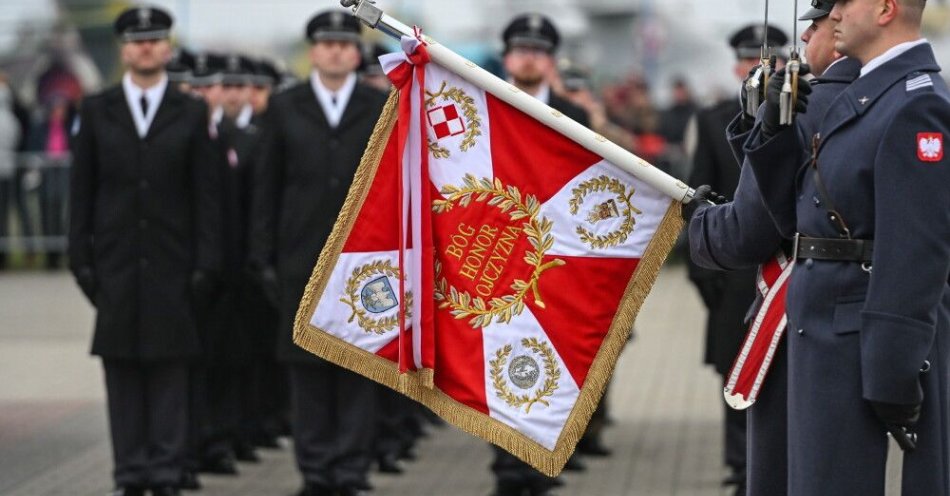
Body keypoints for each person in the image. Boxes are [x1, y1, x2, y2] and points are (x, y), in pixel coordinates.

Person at [746, 0, 950, 494]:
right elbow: (801, 214)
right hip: (824, 332)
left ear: (885, 8)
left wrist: (893, 374)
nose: (832, 14)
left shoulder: (916, 101)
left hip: (861, 344)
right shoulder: (868, 93)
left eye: (843, 2)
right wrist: (770, 132)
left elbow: (914, 254)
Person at [684, 3, 860, 495]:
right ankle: (737, 468)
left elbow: (758, 216)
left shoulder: (803, 108)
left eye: (814, 26)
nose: (804, 40)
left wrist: (699, 225)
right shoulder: (728, 112)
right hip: (756, 283)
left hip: (795, 290)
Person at [68, 7, 220, 496]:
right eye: (137, 41)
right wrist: (83, 263)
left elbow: (206, 197)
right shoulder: (96, 110)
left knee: (172, 376)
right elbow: (82, 193)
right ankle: (130, 474)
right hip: (115, 268)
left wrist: (205, 267)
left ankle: (167, 472)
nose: (146, 48)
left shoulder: (191, 111)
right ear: (123, 49)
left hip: (175, 268)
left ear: (167, 48)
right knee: (124, 376)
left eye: (155, 39)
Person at [250, 10, 387, 496]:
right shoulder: (285, 107)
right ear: (313, 52)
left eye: (344, 43)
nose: (334, 51)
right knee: (305, 372)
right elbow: (265, 188)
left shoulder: (380, 106)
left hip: (363, 263)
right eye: (326, 43)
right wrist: (262, 257)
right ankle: (315, 471)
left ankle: (350, 470)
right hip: (299, 259)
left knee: (355, 367)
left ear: (356, 52)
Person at [489, 12, 595, 496]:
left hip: (554, 264)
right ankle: (508, 470)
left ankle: (542, 462)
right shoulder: (484, 107)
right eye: (520, 49)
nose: (528, 58)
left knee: (547, 368)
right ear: (506, 57)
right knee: (497, 368)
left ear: (551, 61)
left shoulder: (576, 120)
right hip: (492, 260)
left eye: (538, 51)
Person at [686, 22, 788, 492]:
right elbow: (697, 194)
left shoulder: (796, 113)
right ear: (736, 66)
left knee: (781, 378)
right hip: (735, 275)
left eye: (770, 60)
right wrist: (707, 277)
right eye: (752, 60)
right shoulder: (714, 118)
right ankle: (738, 466)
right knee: (734, 374)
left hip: (783, 271)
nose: (761, 68)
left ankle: (771, 468)